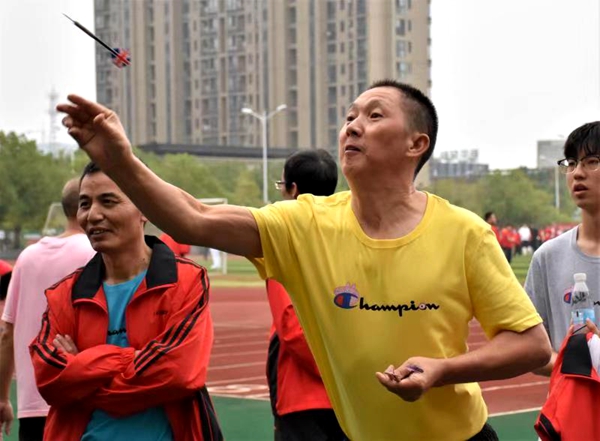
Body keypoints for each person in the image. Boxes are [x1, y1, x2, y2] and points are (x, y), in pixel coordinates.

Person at [58, 80, 551, 440]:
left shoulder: (464, 232)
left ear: (416, 144)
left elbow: (530, 346)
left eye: (374, 115)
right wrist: (119, 159)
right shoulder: (304, 224)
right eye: (350, 117)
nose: (353, 125)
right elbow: (194, 218)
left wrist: (443, 370)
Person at [29, 163, 222, 440]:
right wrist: (133, 358)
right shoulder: (65, 293)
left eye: (108, 201)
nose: (93, 215)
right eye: (85, 204)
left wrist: (81, 365)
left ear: (145, 208)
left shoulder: (186, 281)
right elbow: (49, 379)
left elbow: (178, 373)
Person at [0, 178, 95, 441]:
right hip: (77, 402)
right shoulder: (95, 254)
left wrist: (2, 399)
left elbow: (7, 333)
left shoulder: (27, 257)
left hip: (32, 405)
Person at [265, 149, 345, 440]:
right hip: (351, 397)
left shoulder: (285, 242)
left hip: (305, 400)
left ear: (294, 190)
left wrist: (335, 371)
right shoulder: (352, 235)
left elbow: (292, 328)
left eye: (281, 185)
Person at [526, 121, 600, 375]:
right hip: (571, 400)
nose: (577, 173)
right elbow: (532, 349)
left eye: (592, 161)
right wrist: (577, 367)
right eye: (571, 163)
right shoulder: (548, 257)